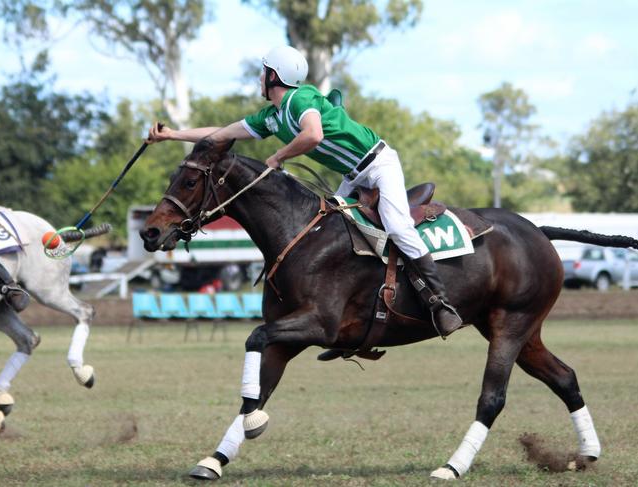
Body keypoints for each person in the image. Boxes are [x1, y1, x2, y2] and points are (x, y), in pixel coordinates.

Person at [147, 45, 462, 337]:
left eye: (263, 71)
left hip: (379, 164)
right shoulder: (270, 117)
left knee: (398, 227)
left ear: (274, 76)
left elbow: (313, 133)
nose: (260, 77)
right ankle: (352, 316)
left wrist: (279, 156)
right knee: (332, 231)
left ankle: (439, 301)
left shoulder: (301, 99)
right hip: (354, 175)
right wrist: (173, 135)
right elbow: (220, 134)